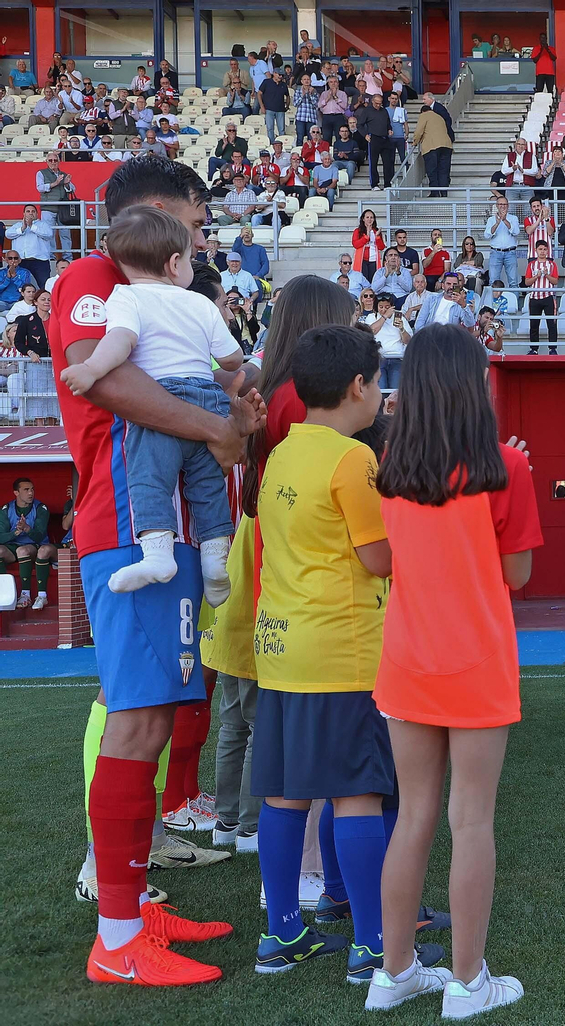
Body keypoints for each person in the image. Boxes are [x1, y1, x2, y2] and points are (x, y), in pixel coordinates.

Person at [58, 155, 258, 986]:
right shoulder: (93, 277)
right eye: (197, 224)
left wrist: (232, 414)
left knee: (152, 719)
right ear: (157, 214)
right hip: (132, 523)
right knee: (137, 724)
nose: (202, 241)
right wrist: (215, 430)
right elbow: (105, 381)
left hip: (166, 527)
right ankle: (116, 941)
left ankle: (134, 909)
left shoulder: (162, 295)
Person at [250, 323, 447, 979]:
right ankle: (374, 945)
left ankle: (282, 932)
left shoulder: (282, 450)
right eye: (379, 382)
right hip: (343, 648)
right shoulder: (352, 460)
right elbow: (378, 557)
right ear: (358, 386)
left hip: (281, 647)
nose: (383, 394)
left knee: (284, 795)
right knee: (359, 792)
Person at [363, 324, 538, 1015]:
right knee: (471, 821)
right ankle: (468, 983)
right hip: (477, 663)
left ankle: (394, 973)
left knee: (412, 818)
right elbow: (517, 574)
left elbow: (386, 559)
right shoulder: (507, 467)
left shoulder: (392, 469)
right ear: (474, 385)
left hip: (407, 660)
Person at [57, 205, 243, 606]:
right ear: (174, 263)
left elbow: (120, 340)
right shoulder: (199, 304)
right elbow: (231, 359)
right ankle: (216, 560)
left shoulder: (125, 296)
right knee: (207, 486)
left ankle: (158, 554)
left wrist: (90, 368)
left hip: (162, 405)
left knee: (149, 481)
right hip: (207, 401)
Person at [0, 477, 56, 609]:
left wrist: (27, 529)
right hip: (13, 546)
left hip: (35, 546)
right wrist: (15, 533)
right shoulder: (6, 509)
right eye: (26, 490)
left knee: (23, 550)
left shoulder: (41, 508)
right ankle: (3, 592)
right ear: (16, 493)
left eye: (32, 489)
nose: (31, 493)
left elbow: (39, 536)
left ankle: (25, 595)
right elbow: (1, 537)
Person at [414, 97, 452, 196]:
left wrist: (414, 142)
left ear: (422, 111)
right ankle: (444, 193)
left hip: (432, 146)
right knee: (443, 171)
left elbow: (419, 131)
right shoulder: (439, 117)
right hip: (447, 146)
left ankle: (435, 192)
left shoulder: (424, 115)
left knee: (432, 170)